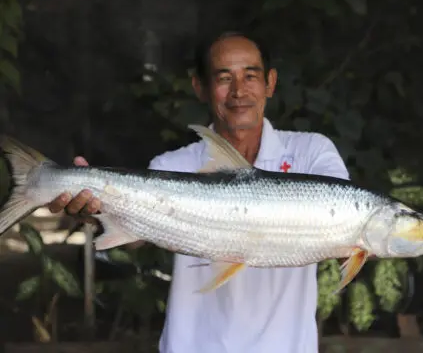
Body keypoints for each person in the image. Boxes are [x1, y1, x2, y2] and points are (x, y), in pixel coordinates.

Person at [47, 31, 349, 353]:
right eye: (224, 78)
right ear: (200, 87)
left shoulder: (312, 152)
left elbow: (342, 222)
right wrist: (97, 210)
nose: (238, 91)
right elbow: (137, 236)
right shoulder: (172, 164)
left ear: (270, 83)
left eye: (250, 76)